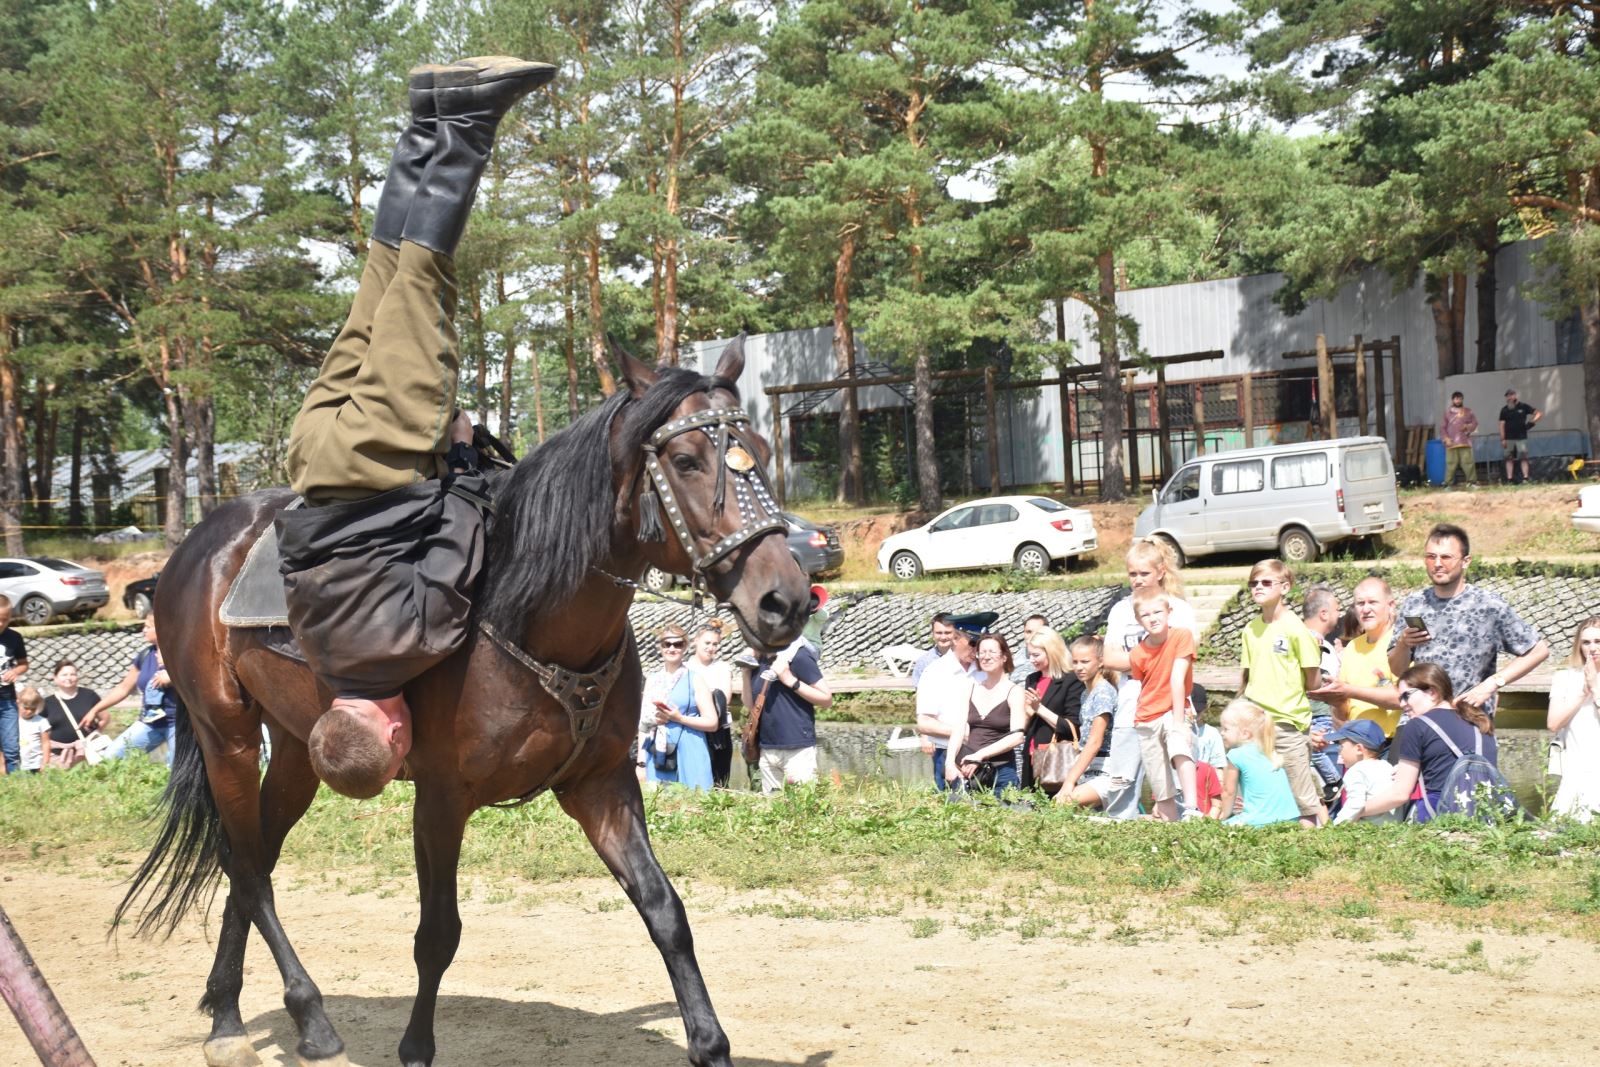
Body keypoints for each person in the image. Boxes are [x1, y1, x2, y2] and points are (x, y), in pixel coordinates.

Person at [274, 56, 555, 800]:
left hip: (377, 457)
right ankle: (424, 117)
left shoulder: (407, 649)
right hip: (311, 457)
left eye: (400, 755)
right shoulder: (317, 652)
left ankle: (467, 119)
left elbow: (460, 538)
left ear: (394, 738)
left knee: (422, 283)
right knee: (381, 280)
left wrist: (463, 457)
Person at [1389, 523, 1548, 717]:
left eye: (1446, 557)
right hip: (1422, 720)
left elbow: (1538, 651)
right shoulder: (1414, 603)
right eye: (1431, 557)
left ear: (1466, 561)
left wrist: (1492, 684)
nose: (1437, 563)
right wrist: (1403, 645)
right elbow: (1398, 670)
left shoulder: (1488, 605)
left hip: (1470, 720)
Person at [1239, 560, 1326, 826]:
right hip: (1256, 723)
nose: (1258, 588)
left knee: (1302, 797)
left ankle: (1317, 845)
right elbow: (1246, 678)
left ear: (1285, 587)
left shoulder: (1296, 628)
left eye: (1266, 582)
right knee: (1259, 791)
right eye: (1254, 583)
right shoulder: (1250, 630)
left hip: (1288, 722)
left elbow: (1313, 681)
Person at [1361, 663, 1498, 822]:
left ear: (1432, 692)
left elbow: (1399, 794)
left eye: (1406, 696)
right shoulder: (1479, 723)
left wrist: (1355, 811)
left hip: (1439, 820)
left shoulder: (1417, 726)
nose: (1402, 704)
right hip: (1484, 818)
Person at [1128, 588, 1201, 821]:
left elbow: (1177, 679)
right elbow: (1144, 684)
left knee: (1180, 745)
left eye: (1158, 612)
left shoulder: (1181, 636)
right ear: (1138, 619)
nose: (1153, 618)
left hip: (1174, 708)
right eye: (1146, 615)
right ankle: (1171, 826)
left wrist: (1179, 722)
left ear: (1169, 612)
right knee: (1159, 779)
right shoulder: (1137, 653)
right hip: (1146, 716)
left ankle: (1191, 807)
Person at [1057, 636, 1141, 818]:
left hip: (1107, 769)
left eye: (1085, 662)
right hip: (1090, 768)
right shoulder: (1087, 693)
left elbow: (1095, 741)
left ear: (1101, 662)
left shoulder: (1103, 692)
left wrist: (1069, 781)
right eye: (1075, 662)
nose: (1079, 667)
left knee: (1063, 803)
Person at [1311, 576, 1403, 738]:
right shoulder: (1352, 647)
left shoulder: (1402, 643)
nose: (1365, 609)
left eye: (1372, 602)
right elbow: (1342, 714)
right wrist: (1336, 699)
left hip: (1391, 741)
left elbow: (1403, 697)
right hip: (1356, 742)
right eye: (1360, 604)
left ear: (1391, 606)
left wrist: (1349, 690)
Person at [745, 631, 831, 794]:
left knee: (803, 807)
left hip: (797, 748)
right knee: (773, 811)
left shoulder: (799, 656)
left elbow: (826, 699)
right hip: (767, 749)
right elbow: (750, 705)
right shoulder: (759, 659)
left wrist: (789, 679)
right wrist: (745, 671)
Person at [639, 625, 718, 791]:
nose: (672, 648)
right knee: (660, 804)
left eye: (678, 644)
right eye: (667, 644)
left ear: (686, 647)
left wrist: (679, 718)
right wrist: (641, 762)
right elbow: (643, 724)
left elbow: (712, 722)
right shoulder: (652, 680)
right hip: (657, 750)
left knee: (694, 803)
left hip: (690, 747)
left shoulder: (695, 679)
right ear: (660, 647)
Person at [945, 634, 1026, 794]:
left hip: (1001, 770)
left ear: (1004, 657)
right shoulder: (970, 688)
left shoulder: (1014, 691)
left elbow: (1017, 737)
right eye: (982, 652)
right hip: (970, 770)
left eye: (992, 652)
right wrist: (949, 762)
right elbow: (958, 729)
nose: (986, 657)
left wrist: (980, 756)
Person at [915, 617, 988, 790]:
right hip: (949, 753)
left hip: (985, 754)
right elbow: (924, 722)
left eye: (981, 644)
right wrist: (962, 733)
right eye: (972, 643)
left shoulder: (986, 670)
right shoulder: (935, 671)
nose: (977, 649)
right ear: (955, 638)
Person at [95, 615, 178, 765]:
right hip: (150, 722)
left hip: (178, 724)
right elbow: (123, 688)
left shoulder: (180, 653)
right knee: (111, 757)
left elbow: (200, 678)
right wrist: (95, 710)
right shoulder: (145, 655)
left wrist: (174, 677)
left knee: (175, 769)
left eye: (148, 626)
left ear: (160, 628)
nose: (143, 630)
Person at [1213, 699, 1301, 827]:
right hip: (1291, 818)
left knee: (1221, 829)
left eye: (1226, 729)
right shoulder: (1268, 751)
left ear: (1245, 734)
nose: (1222, 733)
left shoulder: (1236, 755)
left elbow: (1228, 792)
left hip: (1260, 820)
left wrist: (1224, 816)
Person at [1548, 616, 1600, 822]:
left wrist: (1595, 688)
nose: (1592, 648)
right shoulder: (1565, 677)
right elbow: (1553, 723)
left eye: (1598, 641)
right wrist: (1582, 693)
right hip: (1575, 768)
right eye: (1586, 642)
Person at [1018, 627, 1083, 792]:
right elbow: (1027, 723)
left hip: (1057, 757)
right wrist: (1028, 712)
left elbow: (1071, 727)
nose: (1032, 660)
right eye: (1029, 655)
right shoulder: (1032, 679)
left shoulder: (1071, 680)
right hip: (1031, 755)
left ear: (1052, 652)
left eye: (1036, 655)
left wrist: (1039, 708)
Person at [1300, 585, 1345, 800]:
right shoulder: (1308, 641)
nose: (1339, 614)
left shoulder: (1321, 643)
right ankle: (1335, 782)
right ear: (1324, 613)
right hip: (1312, 715)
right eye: (1337, 609)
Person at [686, 621, 735, 788]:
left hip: (720, 730)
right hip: (692, 727)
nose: (711, 647)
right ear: (696, 641)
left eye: (715, 644)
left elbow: (724, 699)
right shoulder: (685, 668)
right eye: (707, 643)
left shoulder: (722, 667)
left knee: (720, 779)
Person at [1324, 719, 1399, 825]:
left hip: (1369, 831)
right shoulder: (1387, 766)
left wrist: (1336, 826)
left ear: (1359, 749)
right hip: (1393, 827)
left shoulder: (1356, 771)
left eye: (1341, 746)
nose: (1339, 751)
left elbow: (1355, 805)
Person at [40, 660, 104, 769]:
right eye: (64, 675)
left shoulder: (89, 696)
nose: (68, 678)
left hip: (87, 754)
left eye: (72, 674)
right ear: (55, 678)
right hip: (58, 756)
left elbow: (105, 718)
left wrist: (94, 736)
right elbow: (41, 731)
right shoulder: (47, 703)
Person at [0, 598, 28, 774]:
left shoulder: (14, 638)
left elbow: (24, 663)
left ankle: (15, 787)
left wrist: (16, 672)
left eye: (5, 619)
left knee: (11, 747)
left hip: (7, 700)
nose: (1, 623)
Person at [1498, 387, 1542, 484]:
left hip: (1521, 437)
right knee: (1509, 459)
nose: (1509, 397)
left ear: (1515, 396)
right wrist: (1502, 439)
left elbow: (1538, 413)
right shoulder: (1504, 410)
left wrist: (1531, 423)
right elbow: (1501, 424)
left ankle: (1525, 478)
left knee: (1523, 458)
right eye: (1507, 396)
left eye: (1511, 395)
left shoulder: (1523, 406)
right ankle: (1509, 479)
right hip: (1509, 438)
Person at [1440, 390, 1478, 487]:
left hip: (1464, 441)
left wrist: (1467, 427)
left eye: (1459, 399)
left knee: (1468, 462)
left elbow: (1475, 423)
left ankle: (1472, 482)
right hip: (1451, 443)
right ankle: (1448, 483)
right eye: (1456, 399)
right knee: (1451, 463)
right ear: (1453, 400)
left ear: (1462, 400)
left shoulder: (1468, 411)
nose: (1458, 401)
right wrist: (1446, 438)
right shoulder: (1447, 413)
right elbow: (1443, 427)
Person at [910, 613, 955, 686]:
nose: (943, 637)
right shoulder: (924, 662)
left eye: (948, 633)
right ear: (933, 634)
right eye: (939, 633)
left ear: (956, 633)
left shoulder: (965, 659)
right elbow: (919, 692)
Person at [16, 687, 49, 773]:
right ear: (18, 703)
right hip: (17, 764)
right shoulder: (13, 721)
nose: (29, 711)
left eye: (33, 709)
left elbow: (45, 743)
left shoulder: (41, 721)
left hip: (36, 764)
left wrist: (45, 763)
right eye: (26, 708)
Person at [1011, 613, 1051, 684]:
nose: (1032, 635)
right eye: (1028, 632)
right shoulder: (1017, 657)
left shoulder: (1055, 657)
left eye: (1037, 632)